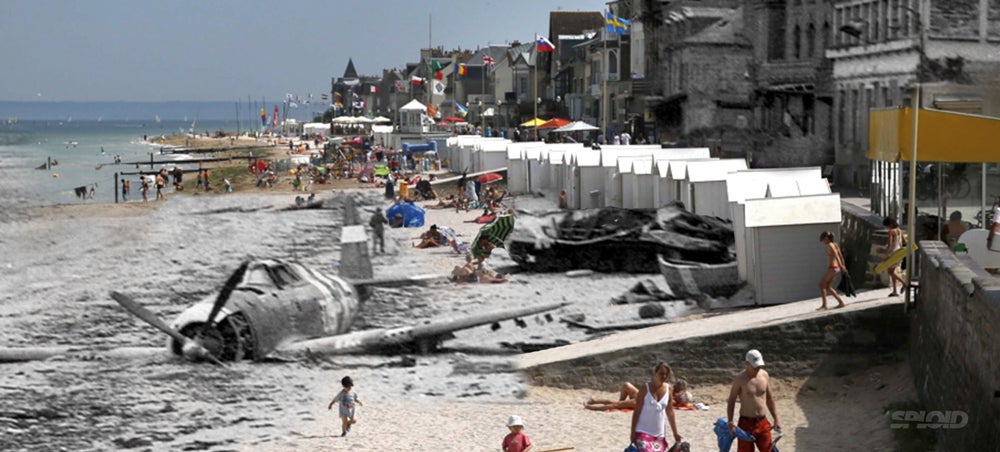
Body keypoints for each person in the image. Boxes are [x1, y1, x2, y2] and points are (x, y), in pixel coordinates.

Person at [727, 350, 780, 452]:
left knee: (768, 450)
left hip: (763, 422)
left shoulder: (764, 375)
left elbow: (769, 398)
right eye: (755, 366)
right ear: (747, 363)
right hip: (746, 423)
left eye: (759, 365)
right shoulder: (740, 379)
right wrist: (730, 421)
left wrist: (776, 418)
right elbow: (731, 400)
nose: (758, 368)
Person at [630, 362, 683, 451]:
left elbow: (670, 412)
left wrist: (675, 433)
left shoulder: (668, 389)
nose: (664, 376)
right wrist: (632, 431)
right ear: (655, 372)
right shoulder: (645, 388)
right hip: (642, 431)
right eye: (661, 373)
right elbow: (637, 411)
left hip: (659, 434)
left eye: (666, 374)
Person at [818, 231, 847, 310]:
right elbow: (841, 256)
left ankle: (824, 305)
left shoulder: (830, 245)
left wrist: (841, 266)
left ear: (826, 239)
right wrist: (843, 266)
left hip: (833, 268)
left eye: (823, 240)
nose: (823, 242)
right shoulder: (835, 244)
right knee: (828, 287)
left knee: (821, 285)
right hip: (836, 268)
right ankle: (841, 302)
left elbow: (836, 255)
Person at [882, 217, 908, 297]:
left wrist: (886, 255)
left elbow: (889, 244)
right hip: (899, 252)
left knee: (890, 272)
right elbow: (904, 241)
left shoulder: (891, 231)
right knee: (893, 271)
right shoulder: (899, 230)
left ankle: (904, 283)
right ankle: (895, 290)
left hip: (893, 253)